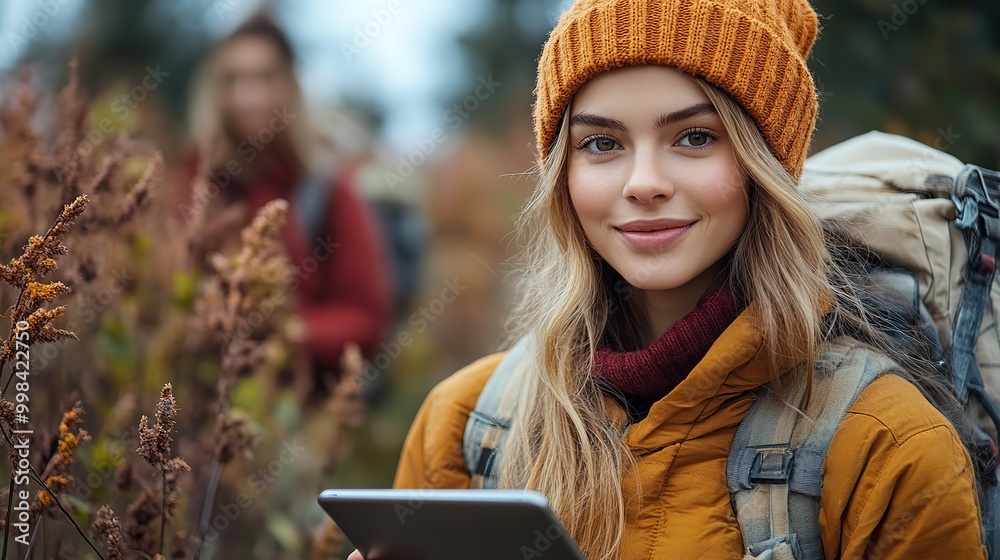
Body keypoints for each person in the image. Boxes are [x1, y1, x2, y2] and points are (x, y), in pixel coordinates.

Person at [350, 0, 986, 558]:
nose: (643, 182)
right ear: (562, 176)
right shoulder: (469, 426)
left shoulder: (885, 447)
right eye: (602, 144)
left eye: (694, 137)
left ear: (764, 165)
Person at [177, 14, 394, 397]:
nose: (248, 96)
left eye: (264, 78)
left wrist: (282, 333)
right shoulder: (195, 185)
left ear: (290, 86)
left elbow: (365, 320)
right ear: (216, 90)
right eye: (234, 79)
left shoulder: (327, 189)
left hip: (295, 407)